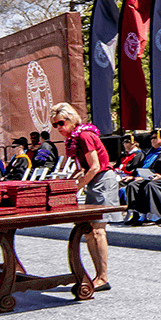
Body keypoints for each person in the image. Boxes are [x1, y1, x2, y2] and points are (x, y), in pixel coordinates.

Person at [50, 102, 114, 289]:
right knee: (88, 230)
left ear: (70, 120)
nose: (58, 128)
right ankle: (97, 276)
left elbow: (95, 166)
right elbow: (84, 168)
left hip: (103, 180)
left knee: (97, 230)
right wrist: (69, 183)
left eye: (60, 123)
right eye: (55, 125)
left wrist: (77, 186)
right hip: (94, 180)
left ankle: (103, 277)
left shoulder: (85, 135)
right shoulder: (75, 138)